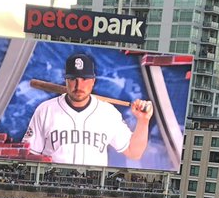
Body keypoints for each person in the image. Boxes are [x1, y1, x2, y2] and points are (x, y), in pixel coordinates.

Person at [23, 52, 154, 166]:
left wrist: (143, 121)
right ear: (66, 80)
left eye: (85, 79)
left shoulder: (108, 113)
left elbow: (134, 152)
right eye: (73, 79)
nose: (79, 85)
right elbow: (28, 155)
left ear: (93, 81)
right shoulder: (45, 110)